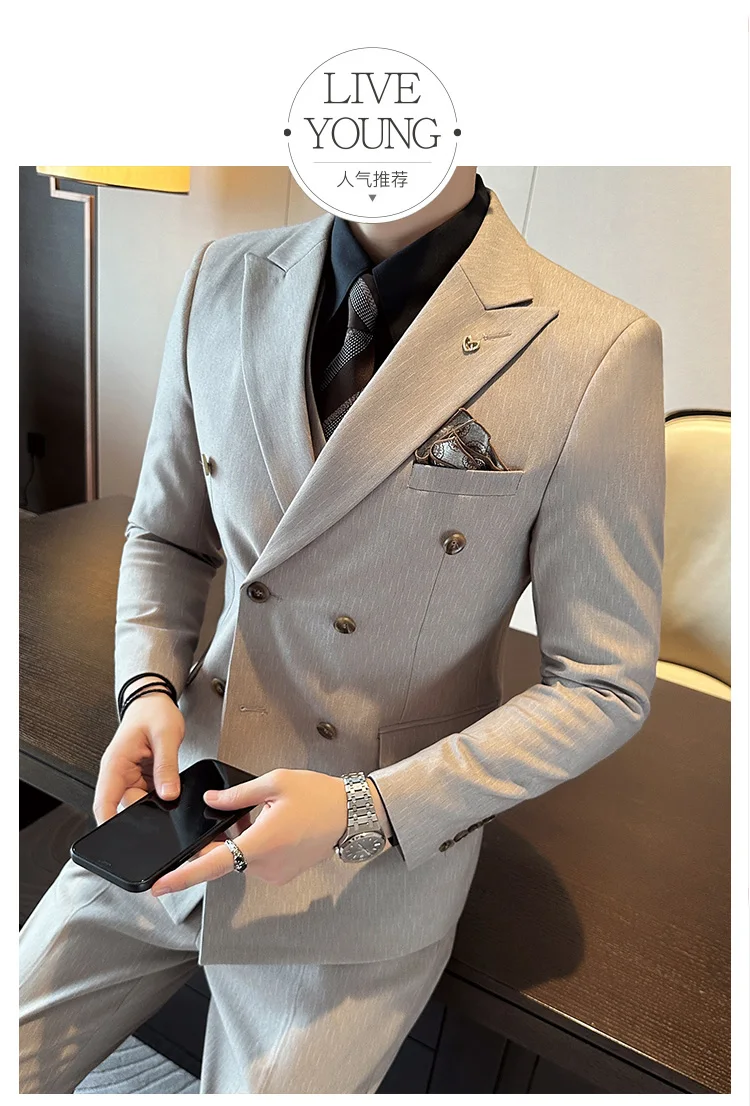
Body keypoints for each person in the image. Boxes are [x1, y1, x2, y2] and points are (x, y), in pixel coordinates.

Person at [19, 167, 666, 1093]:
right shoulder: (221, 277)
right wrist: (147, 686)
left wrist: (367, 812)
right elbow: (167, 533)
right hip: (179, 798)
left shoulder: (595, 346)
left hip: (364, 867)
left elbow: (601, 683)